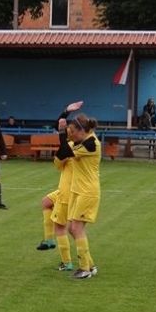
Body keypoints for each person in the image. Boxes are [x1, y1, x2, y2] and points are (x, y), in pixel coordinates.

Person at [36, 102, 83, 273]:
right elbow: (59, 127)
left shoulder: (70, 147)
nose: (65, 131)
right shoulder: (78, 144)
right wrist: (66, 112)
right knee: (46, 202)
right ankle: (49, 240)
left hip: (68, 191)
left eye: (69, 130)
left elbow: (59, 158)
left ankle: (67, 262)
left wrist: (64, 118)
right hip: (65, 188)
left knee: (61, 227)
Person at [55, 113, 101, 280]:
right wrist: (63, 119)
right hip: (78, 190)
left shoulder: (91, 144)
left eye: (73, 132)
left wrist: (61, 133)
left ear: (81, 130)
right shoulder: (83, 139)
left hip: (87, 192)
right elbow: (65, 148)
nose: (71, 135)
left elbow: (65, 151)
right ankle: (90, 265)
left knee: (76, 229)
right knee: (71, 229)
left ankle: (84, 269)